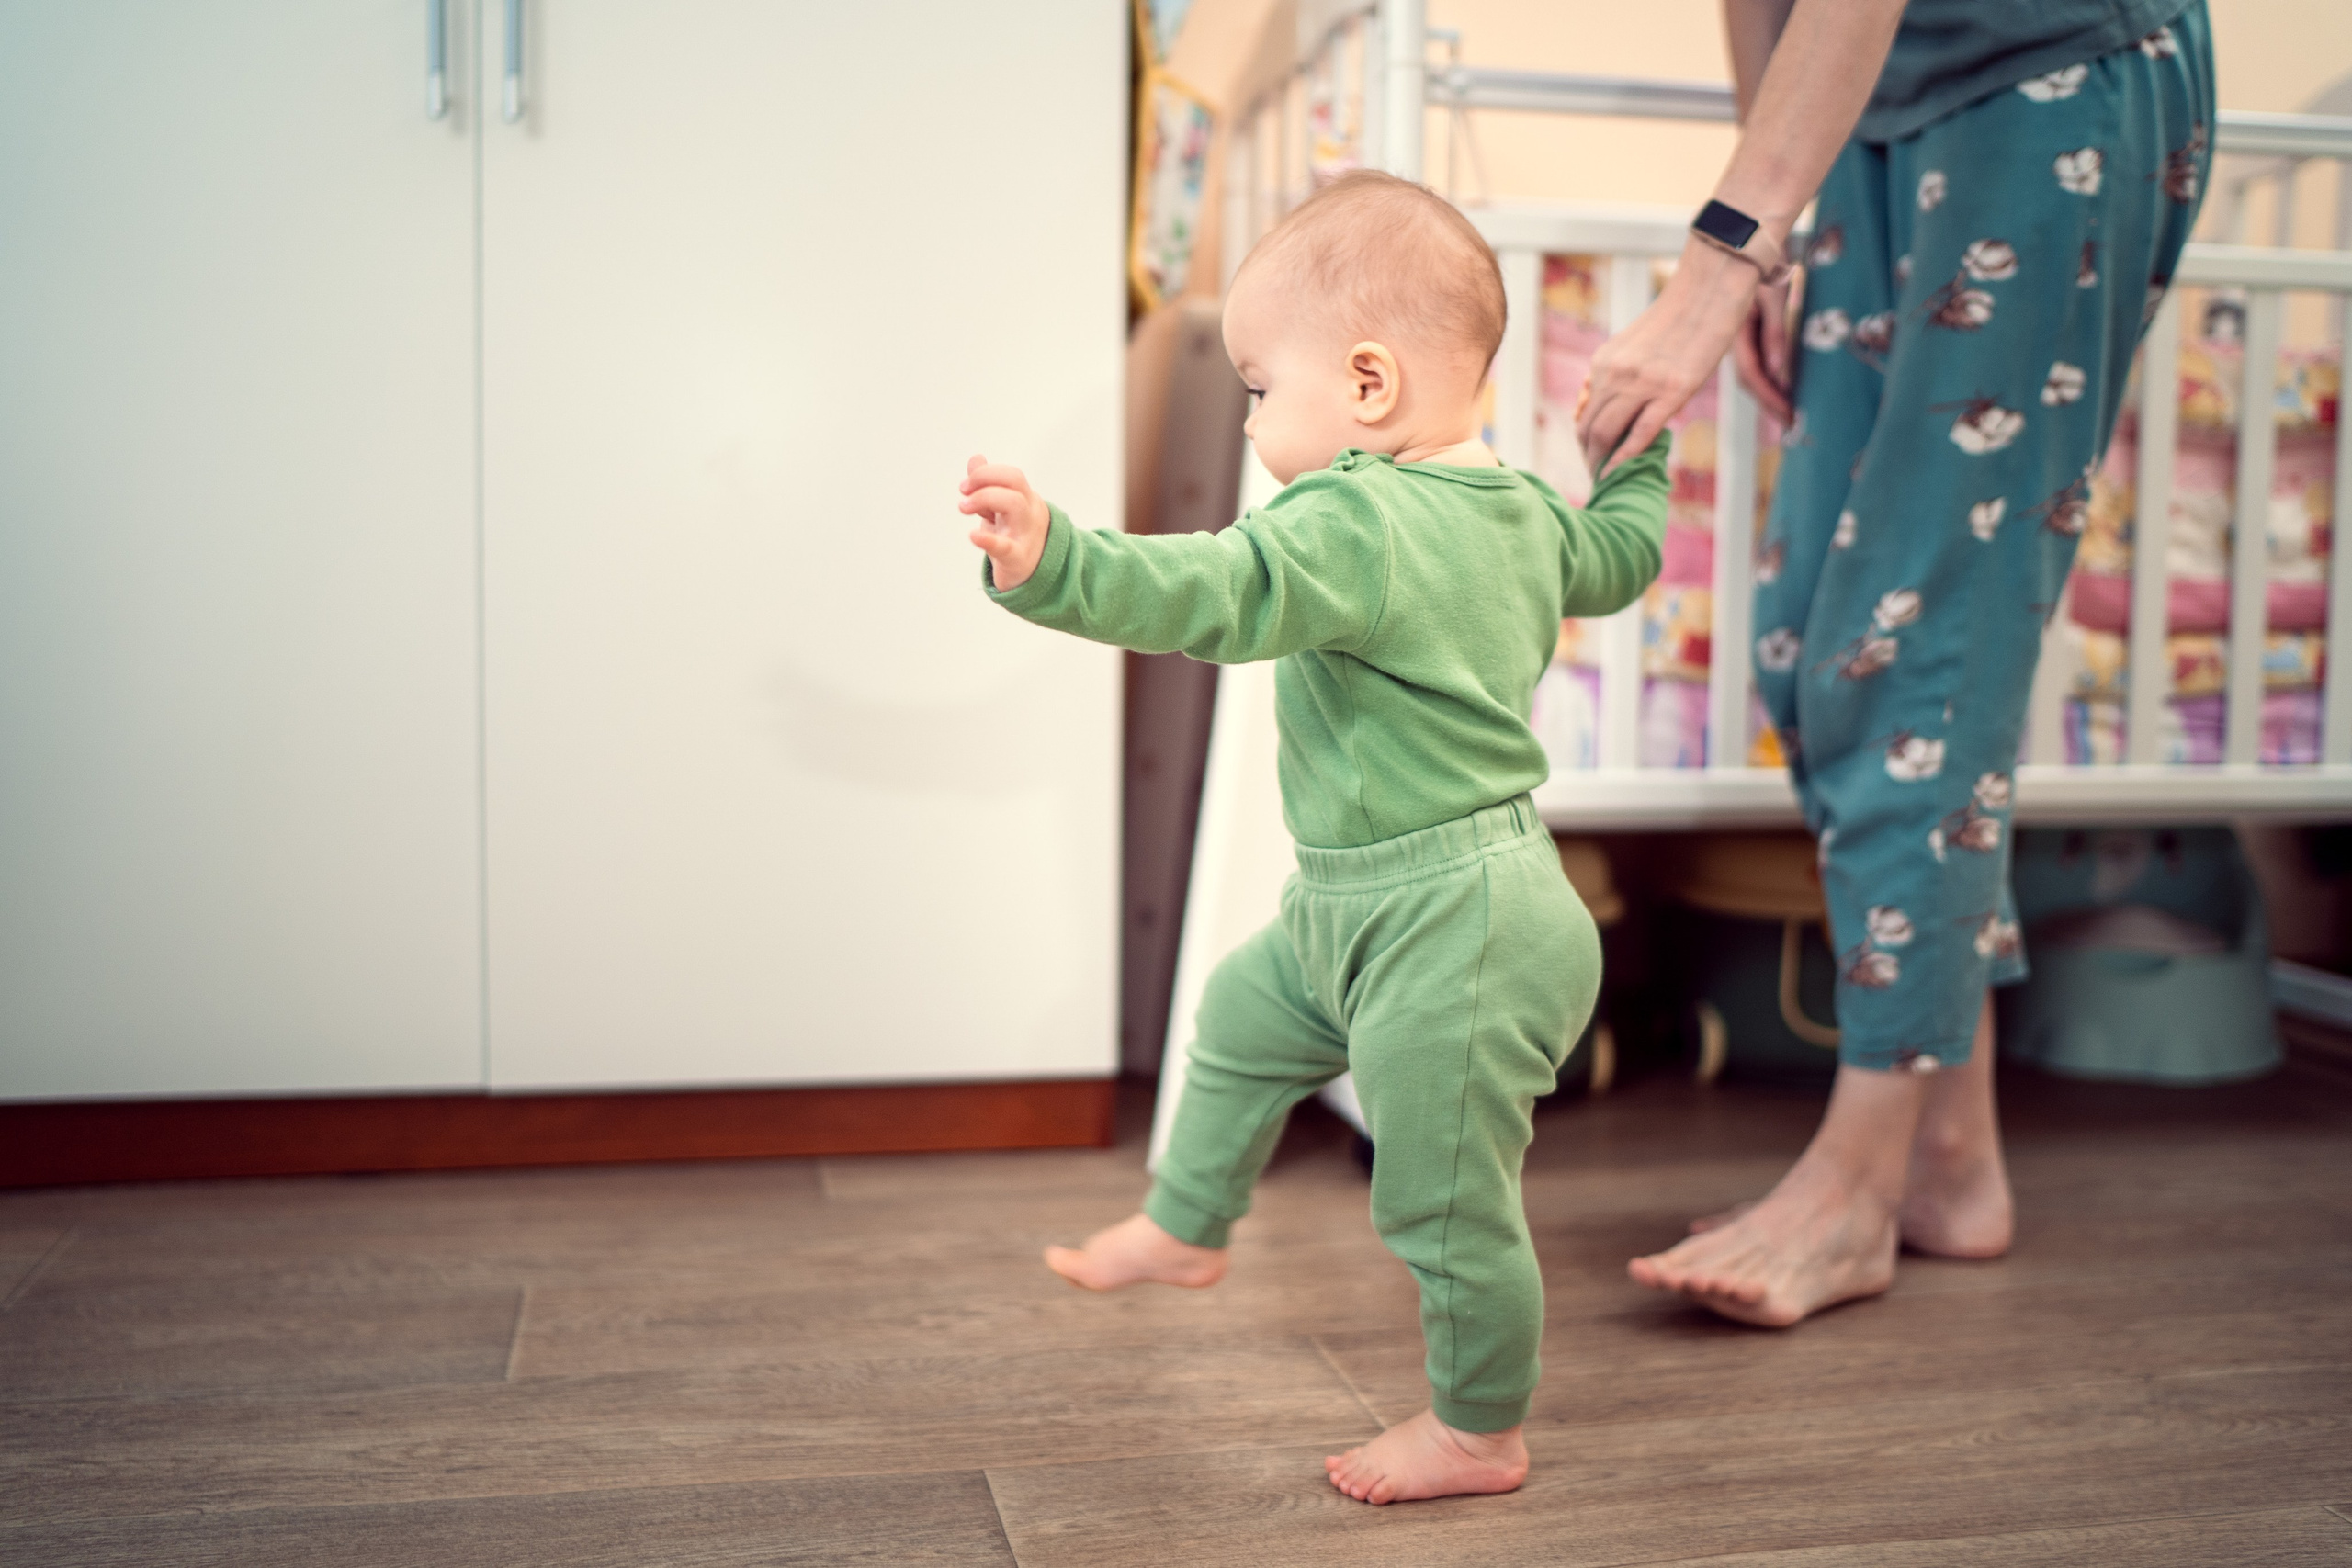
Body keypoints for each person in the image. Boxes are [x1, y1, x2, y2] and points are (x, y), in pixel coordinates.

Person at [957, 170, 1669, 1505]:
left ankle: (1477, 1430)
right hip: (1368, 901)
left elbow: (1215, 589)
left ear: (1366, 385)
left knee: (1442, 1205)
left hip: (1454, 923)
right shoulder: (1517, 509)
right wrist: (1643, 464)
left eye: (1257, 387)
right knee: (1235, 1022)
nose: (1249, 416)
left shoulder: (1355, 515)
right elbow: (1620, 558)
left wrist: (1059, 560)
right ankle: (1184, 1227)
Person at [1578, 0, 2214, 1325]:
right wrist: (1781, 235)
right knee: (1809, 638)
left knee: (1915, 636)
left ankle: (1859, 1180)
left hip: (2053, 77)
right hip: (1871, 116)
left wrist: (1716, 265)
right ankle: (1949, 1155)